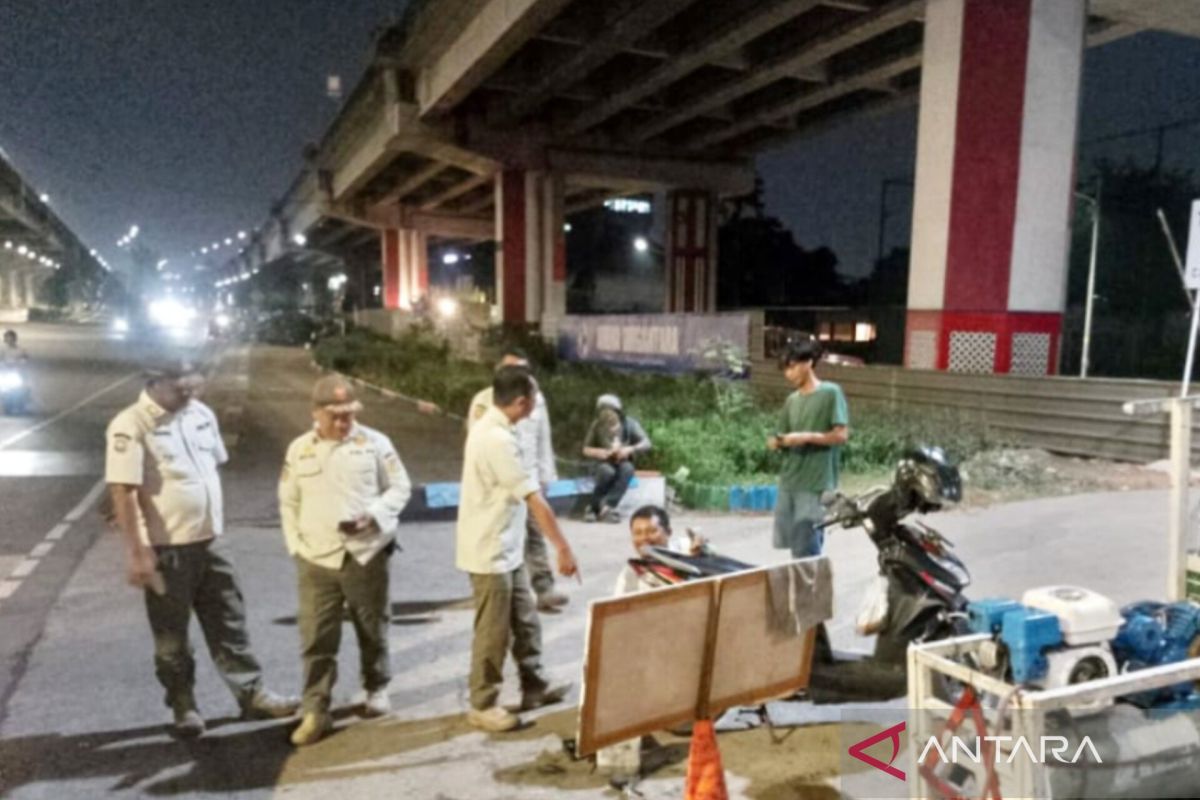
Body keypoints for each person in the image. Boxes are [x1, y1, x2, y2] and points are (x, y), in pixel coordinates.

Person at [105, 359, 298, 739]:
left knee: (230, 621)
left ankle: (251, 693)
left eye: (195, 389)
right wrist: (138, 550)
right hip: (167, 549)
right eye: (182, 390)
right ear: (156, 380)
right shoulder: (130, 425)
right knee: (172, 635)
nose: (190, 396)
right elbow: (122, 492)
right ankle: (183, 704)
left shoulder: (200, 414)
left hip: (212, 541)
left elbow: (211, 469)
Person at [278, 375, 412, 746]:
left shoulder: (375, 444)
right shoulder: (299, 450)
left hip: (365, 553)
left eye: (349, 415)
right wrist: (296, 545)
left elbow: (400, 487)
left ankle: (376, 686)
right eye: (334, 416)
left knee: (372, 624)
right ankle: (315, 709)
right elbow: (288, 501)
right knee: (317, 636)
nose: (343, 423)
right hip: (316, 557)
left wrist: (374, 515)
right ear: (316, 413)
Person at [457, 365, 579, 732]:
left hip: (506, 547)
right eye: (534, 402)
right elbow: (534, 501)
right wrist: (563, 548)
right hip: (489, 551)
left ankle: (535, 684)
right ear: (522, 402)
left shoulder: (500, 429)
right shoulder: (495, 439)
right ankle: (482, 702)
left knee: (525, 621)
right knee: (494, 631)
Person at [466, 348, 567, 613]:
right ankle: (505, 589)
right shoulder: (484, 402)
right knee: (506, 539)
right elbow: (477, 446)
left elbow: (543, 438)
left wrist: (546, 475)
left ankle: (543, 587)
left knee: (535, 533)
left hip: (528, 476)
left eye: (523, 370)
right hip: (501, 485)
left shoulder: (536, 399)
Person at [767, 340, 849, 558]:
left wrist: (806, 437)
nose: (788, 373)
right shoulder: (791, 401)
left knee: (807, 550)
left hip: (815, 483)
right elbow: (779, 436)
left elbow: (841, 435)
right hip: (789, 481)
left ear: (809, 363)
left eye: (792, 366)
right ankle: (802, 590)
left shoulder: (831, 392)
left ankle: (811, 591)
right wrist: (777, 442)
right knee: (795, 547)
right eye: (785, 369)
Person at [581, 394, 651, 523]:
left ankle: (608, 507)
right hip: (603, 463)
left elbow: (647, 443)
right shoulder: (597, 425)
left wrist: (629, 449)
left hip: (623, 461)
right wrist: (602, 452)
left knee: (628, 469)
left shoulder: (629, 424)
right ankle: (593, 507)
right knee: (607, 472)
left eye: (610, 410)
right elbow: (586, 449)